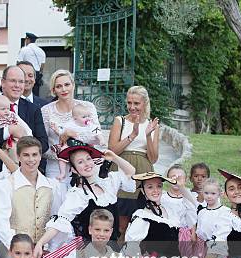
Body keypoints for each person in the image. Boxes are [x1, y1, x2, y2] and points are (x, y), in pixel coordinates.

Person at [0, 137, 65, 258]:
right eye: (26, 155)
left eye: (34, 155)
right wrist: (19, 251)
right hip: (11, 248)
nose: (31, 160)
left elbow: (56, 220)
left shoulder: (52, 186)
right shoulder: (5, 185)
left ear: (40, 156)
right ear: (18, 157)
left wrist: (50, 248)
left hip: (43, 247)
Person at [108, 86, 160, 241]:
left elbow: (153, 158)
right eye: (129, 103)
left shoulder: (152, 125)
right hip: (122, 169)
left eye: (136, 103)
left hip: (144, 170)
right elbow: (112, 151)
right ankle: (116, 256)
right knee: (121, 222)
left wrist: (148, 135)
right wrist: (133, 135)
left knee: (139, 220)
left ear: (144, 103)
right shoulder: (120, 121)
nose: (132, 107)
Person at [0, 65, 49, 173]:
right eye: (13, 81)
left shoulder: (33, 109)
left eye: (21, 82)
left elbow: (43, 143)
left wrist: (24, 141)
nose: (17, 85)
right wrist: (9, 130)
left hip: (25, 172)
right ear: (3, 82)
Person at [41, 70, 104, 179]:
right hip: (57, 166)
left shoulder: (88, 107)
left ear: (73, 85)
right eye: (59, 86)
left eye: (67, 84)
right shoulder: (46, 111)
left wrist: (71, 136)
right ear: (54, 90)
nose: (64, 89)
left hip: (85, 165)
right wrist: (62, 154)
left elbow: (96, 137)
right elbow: (42, 143)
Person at [52, 104, 104, 181]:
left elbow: (97, 132)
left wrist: (101, 139)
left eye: (88, 116)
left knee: (91, 156)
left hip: (85, 145)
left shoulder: (90, 125)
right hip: (72, 144)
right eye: (84, 117)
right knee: (62, 153)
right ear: (75, 119)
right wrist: (56, 129)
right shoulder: (71, 124)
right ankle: (62, 173)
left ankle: (92, 172)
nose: (87, 119)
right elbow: (62, 131)